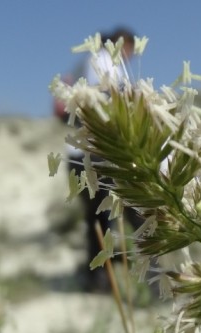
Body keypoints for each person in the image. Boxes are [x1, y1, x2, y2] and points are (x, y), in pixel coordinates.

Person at [60, 27, 146, 292]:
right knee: (137, 214)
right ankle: (152, 281)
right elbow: (104, 102)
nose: (131, 55)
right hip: (97, 155)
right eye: (130, 48)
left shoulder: (93, 62)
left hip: (81, 155)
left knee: (97, 221)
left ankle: (98, 281)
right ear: (122, 44)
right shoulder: (103, 61)